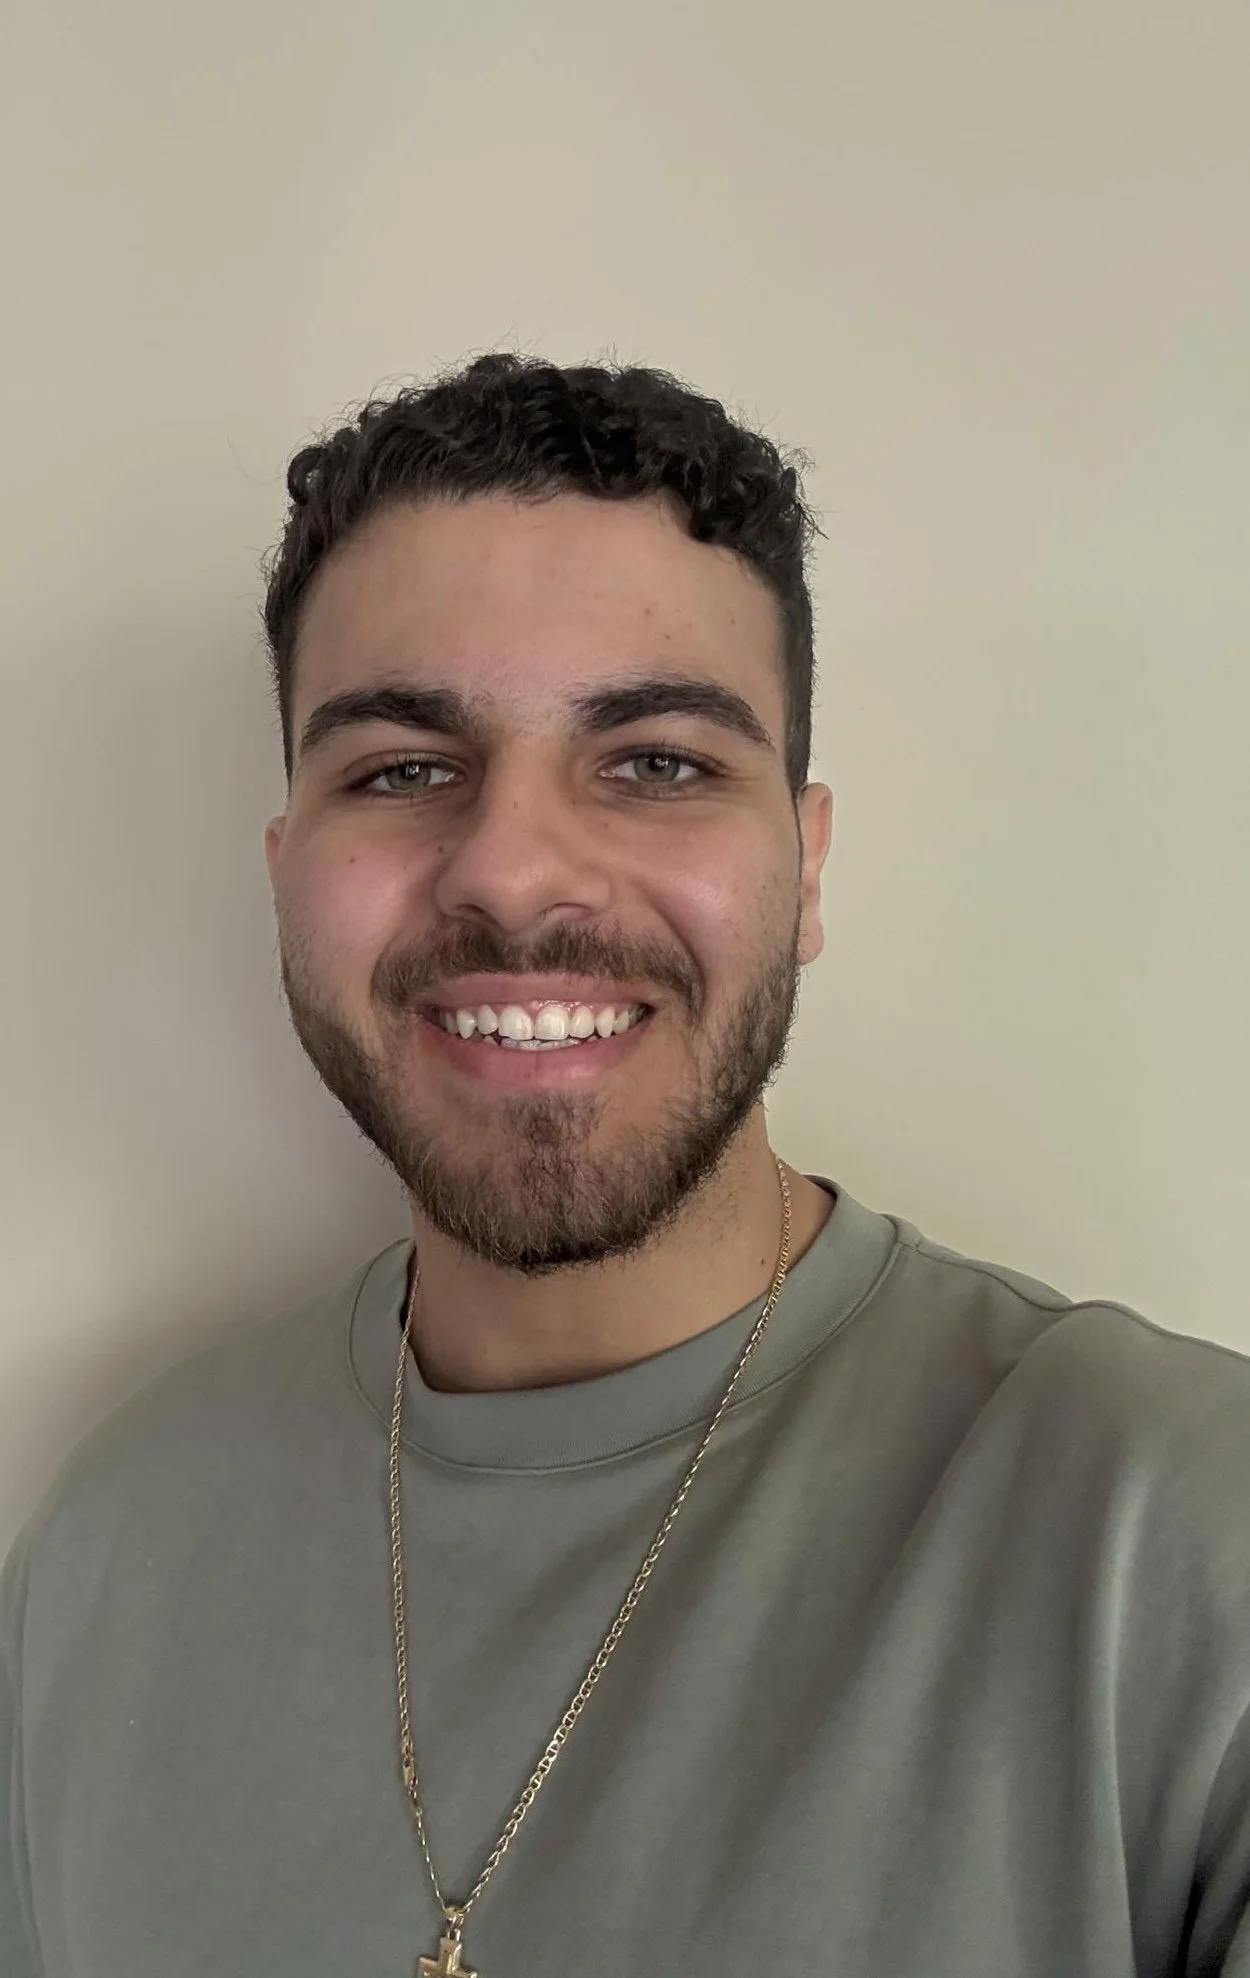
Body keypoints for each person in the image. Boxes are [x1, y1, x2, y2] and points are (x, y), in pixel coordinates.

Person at [2, 353, 1247, 1978]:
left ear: (802, 869)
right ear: (287, 868)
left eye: (656, 760)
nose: (514, 867)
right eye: (399, 767)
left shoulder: (1175, 1539)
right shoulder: (110, 1548)